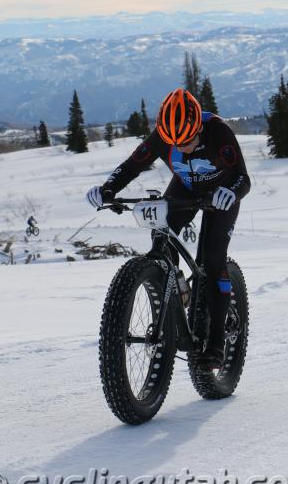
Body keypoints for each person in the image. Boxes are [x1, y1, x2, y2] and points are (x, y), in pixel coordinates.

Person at [87, 88, 251, 368]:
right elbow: (131, 166)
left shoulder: (219, 132)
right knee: (160, 230)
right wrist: (107, 190)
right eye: (176, 143)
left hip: (221, 195)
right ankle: (175, 287)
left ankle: (215, 341)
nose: (182, 146)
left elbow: (243, 179)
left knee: (213, 259)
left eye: (187, 141)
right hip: (186, 188)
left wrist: (232, 193)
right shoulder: (163, 136)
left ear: (199, 126)